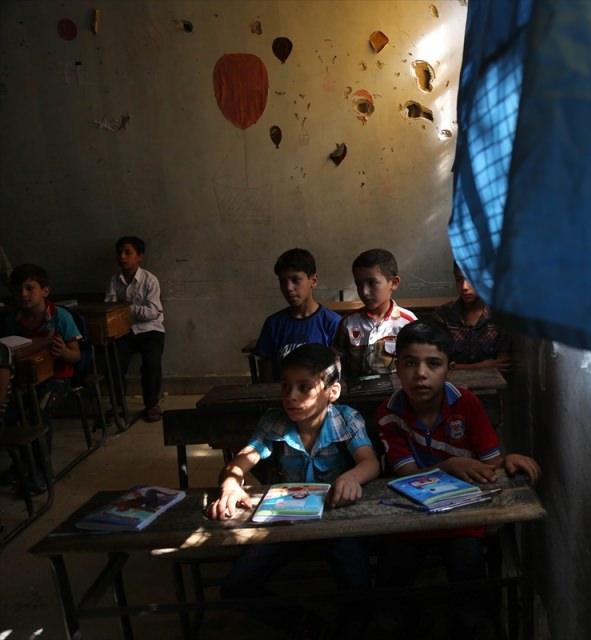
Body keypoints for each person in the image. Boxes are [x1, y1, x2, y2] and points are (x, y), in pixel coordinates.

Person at [375, 321, 540, 636]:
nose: (420, 374)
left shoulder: (466, 403)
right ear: (397, 368)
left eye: (433, 364)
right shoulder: (389, 413)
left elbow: (490, 464)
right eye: (410, 363)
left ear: (449, 369)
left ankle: (468, 621)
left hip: (462, 519)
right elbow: (407, 475)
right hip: (409, 520)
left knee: (470, 595)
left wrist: (507, 461)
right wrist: (449, 466)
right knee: (389, 599)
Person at [207, 344, 379, 637]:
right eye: (285, 387)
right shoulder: (273, 421)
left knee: (359, 587)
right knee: (236, 587)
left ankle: (350, 627)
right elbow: (241, 461)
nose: (291, 396)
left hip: (335, 521)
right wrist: (231, 484)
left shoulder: (346, 419)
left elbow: (370, 462)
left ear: (332, 392)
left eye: (304, 387)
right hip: (285, 521)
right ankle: (306, 625)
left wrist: (352, 477)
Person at [1, 264, 82, 489]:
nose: (23, 294)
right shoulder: (12, 320)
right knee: (11, 414)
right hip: (24, 381)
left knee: (39, 414)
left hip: (57, 379)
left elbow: (76, 355)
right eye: (18, 290)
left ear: (45, 291)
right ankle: (21, 466)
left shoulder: (60, 317)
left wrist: (63, 352)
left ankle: (41, 472)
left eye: (30, 288)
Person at [254, 248, 341, 382]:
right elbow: (266, 376)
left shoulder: (332, 323)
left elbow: (337, 373)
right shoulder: (273, 324)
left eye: (295, 280)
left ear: (313, 280)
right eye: (283, 281)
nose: (288, 287)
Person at [104, 236, 165, 422]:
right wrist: (124, 310)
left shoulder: (150, 280)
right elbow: (109, 307)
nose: (122, 257)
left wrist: (127, 308)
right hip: (125, 331)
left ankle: (152, 404)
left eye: (128, 253)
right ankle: (117, 405)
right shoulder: (115, 281)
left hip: (151, 330)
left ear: (139, 257)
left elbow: (152, 312)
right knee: (114, 363)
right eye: (120, 253)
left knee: (151, 364)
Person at [335, 248, 416, 376]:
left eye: (372, 283)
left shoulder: (408, 322)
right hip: (357, 388)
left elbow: (415, 364)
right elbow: (338, 365)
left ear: (394, 283)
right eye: (359, 284)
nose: (364, 291)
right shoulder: (348, 323)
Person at [432, 263, 512, 370]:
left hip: (490, 380)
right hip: (452, 380)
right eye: (459, 280)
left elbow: (502, 365)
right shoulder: (444, 314)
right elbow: (436, 363)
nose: (464, 287)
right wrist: (479, 366)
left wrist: (458, 367)